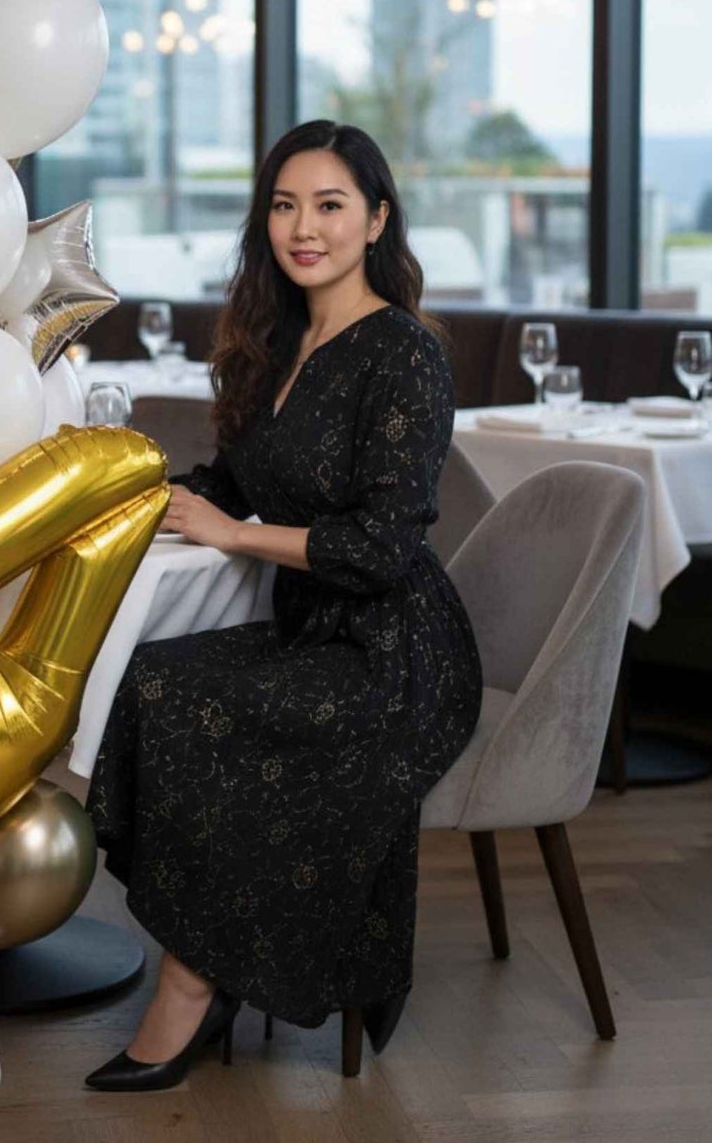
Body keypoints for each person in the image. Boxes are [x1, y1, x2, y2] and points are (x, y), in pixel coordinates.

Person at [84, 119, 482, 1091]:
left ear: (376, 218)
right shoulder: (277, 341)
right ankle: (210, 953)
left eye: (329, 204)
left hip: (396, 651)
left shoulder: (401, 353)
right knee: (153, 678)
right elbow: (228, 479)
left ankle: (190, 979)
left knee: (201, 707)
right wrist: (111, 495)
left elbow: (382, 546)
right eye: (283, 203)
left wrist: (233, 537)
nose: (303, 226)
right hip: (314, 623)